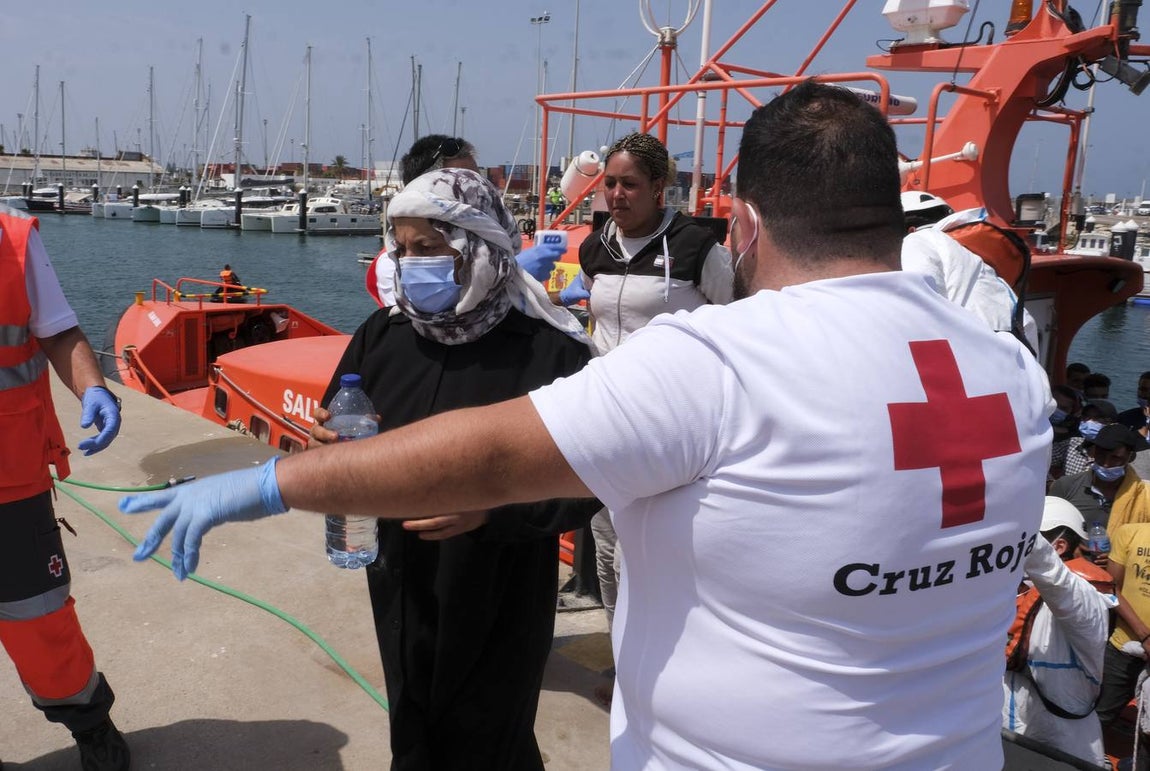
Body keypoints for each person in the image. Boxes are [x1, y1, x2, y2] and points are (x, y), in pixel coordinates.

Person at [120, 81, 1055, 769]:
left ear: (746, 224)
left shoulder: (715, 361)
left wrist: (263, 482)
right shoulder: (1010, 372)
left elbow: (487, 457)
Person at [326, 168, 602, 769]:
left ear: (476, 247)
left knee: (490, 734)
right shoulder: (383, 334)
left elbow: (591, 481)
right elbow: (342, 419)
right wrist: (330, 452)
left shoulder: (551, 350)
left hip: (498, 584)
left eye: (427, 248)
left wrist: (492, 510)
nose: (409, 262)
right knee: (412, 718)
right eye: (401, 249)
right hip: (400, 576)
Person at [558, 131, 733, 662]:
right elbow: (595, 317)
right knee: (609, 547)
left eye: (629, 184)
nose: (615, 194)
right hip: (608, 420)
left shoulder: (696, 247)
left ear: (660, 187)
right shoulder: (596, 246)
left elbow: (735, 321)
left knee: (664, 551)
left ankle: (676, 664)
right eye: (608, 183)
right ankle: (626, 661)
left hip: (675, 426)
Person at [0, 205, 128, 769]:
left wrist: (93, 387)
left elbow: (57, 330)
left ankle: (89, 722)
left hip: (10, 477)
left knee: (41, 619)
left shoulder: (14, 241)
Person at [365, 136, 563, 308]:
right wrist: (509, 276)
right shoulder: (395, 266)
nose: (478, 190)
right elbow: (433, 318)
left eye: (478, 180)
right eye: (463, 183)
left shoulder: (493, 246)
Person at [1003, 497, 1116, 767]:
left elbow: (1057, 580)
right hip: (1011, 730)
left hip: (1062, 743)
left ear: (1059, 546)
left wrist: (1017, 525)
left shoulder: (1087, 603)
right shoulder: (1015, 595)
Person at [900, 191, 1039, 351]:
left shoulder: (918, 240)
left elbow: (919, 310)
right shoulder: (986, 271)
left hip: (965, 355)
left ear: (910, 230)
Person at [1096, 520, 1150, 736]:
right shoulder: (1129, 532)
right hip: (1123, 645)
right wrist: (1144, 635)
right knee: (1100, 715)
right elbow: (1111, 588)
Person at [1049, 423, 1150, 532]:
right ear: (1094, 452)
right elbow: (1047, 527)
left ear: (1129, 457)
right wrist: (1073, 545)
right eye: (1101, 455)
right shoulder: (1066, 486)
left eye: (1115, 458)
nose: (1106, 464)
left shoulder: (1143, 496)